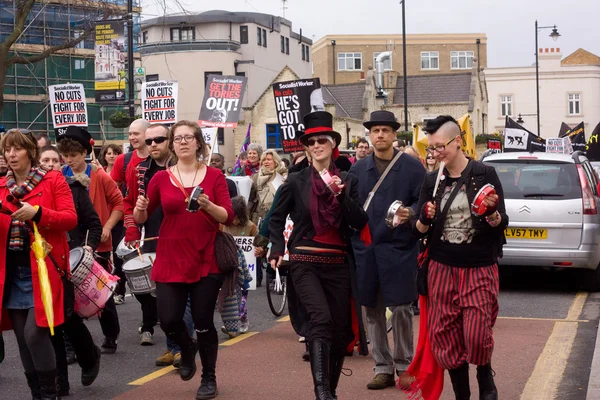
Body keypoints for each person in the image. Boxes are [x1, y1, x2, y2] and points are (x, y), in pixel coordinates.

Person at [269, 111, 369, 400]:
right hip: (304, 262)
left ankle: (332, 391)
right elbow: (275, 219)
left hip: (338, 263)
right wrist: (277, 248)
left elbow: (359, 222)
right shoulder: (296, 181)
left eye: (321, 140)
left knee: (339, 334)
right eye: (311, 141)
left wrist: (342, 198)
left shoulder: (348, 180)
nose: (316, 145)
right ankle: (322, 392)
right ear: (306, 147)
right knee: (320, 321)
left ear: (333, 144)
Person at [134, 120, 234, 400]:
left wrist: (208, 205)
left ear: (199, 143)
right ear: (172, 144)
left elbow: (228, 215)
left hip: (206, 256)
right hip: (170, 256)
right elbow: (142, 217)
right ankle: (187, 349)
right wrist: (140, 209)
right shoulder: (160, 179)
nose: (183, 142)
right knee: (168, 319)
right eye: (177, 138)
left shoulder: (214, 176)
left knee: (203, 321)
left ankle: (209, 378)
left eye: (189, 137)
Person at [413, 115, 507, 399]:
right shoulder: (432, 180)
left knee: (478, 333)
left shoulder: (484, 174)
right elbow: (419, 229)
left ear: (458, 142)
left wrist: (491, 212)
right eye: (431, 148)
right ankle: (462, 395)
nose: (434, 153)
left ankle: (483, 372)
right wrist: (424, 218)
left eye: (439, 146)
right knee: (446, 335)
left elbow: (502, 222)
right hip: (441, 266)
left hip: (478, 265)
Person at [349, 110, 425, 390]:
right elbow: (351, 209)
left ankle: (405, 365)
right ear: (369, 135)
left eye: (385, 130)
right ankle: (382, 367)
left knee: (403, 307)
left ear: (394, 135)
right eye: (375, 130)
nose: (379, 135)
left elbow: (423, 200)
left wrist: (412, 212)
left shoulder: (413, 167)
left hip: (400, 247)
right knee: (373, 309)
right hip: (367, 249)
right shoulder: (357, 170)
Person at [0, 128, 77, 399]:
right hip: (11, 273)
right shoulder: (0, 187)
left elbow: (70, 218)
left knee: (35, 334)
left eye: (17, 148)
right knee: (22, 339)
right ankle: (37, 393)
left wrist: (39, 213)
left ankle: (50, 393)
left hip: (44, 271)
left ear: (31, 152)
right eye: (7, 149)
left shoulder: (53, 180)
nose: (11, 154)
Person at [122, 123, 193, 366]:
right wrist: (132, 226)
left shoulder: (183, 167)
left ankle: (182, 348)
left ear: (170, 140)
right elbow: (130, 202)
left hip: (184, 241)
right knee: (165, 299)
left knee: (184, 297)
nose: (153, 145)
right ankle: (174, 345)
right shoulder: (140, 170)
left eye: (159, 140)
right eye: (149, 141)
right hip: (154, 238)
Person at [39, 145, 103, 396]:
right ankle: (60, 383)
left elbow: (93, 224)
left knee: (67, 318)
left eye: (56, 160)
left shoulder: (75, 189)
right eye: (45, 160)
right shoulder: (31, 190)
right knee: (51, 324)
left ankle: (89, 356)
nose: (51, 164)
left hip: (70, 263)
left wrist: (88, 247)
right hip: (42, 263)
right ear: (38, 163)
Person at [56, 126, 124, 355]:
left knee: (100, 292)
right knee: (72, 295)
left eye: (73, 156)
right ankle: (76, 343)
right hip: (70, 243)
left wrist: (107, 227)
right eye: (65, 156)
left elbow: (119, 204)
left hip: (97, 241)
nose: (69, 161)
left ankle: (111, 334)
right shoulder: (60, 176)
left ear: (83, 153)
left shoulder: (100, 175)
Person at [248, 149, 287, 287]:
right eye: (264, 159)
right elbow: (251, 199)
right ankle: (257, 277)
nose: (266, 162)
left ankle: (273, 276)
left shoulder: (283, 176)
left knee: (273, 245)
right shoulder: (256, 177)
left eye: (269, 159)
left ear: (275, 161)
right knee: (259, 246)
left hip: (278, 215)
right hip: (260, 216)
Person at [220, 196, 256, 337]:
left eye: (236, 218)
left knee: (242, 296)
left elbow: (259, 242)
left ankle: (237, 322)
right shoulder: (223, 224)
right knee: (231, 296)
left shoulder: (251, 227)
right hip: (228, 267)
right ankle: (239, 320)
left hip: (244, 268)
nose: (234, 221)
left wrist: (260, 249)